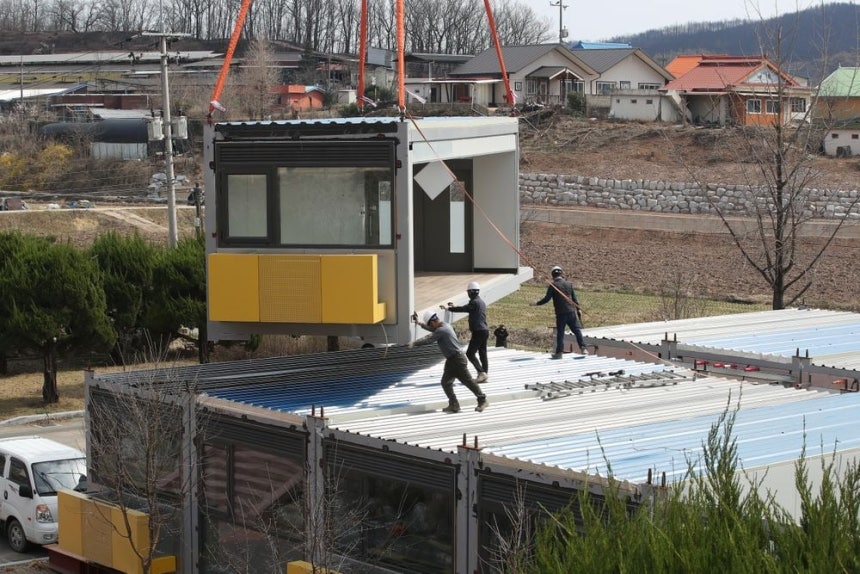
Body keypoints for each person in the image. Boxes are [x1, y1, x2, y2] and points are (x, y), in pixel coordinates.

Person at [412, 309, 489, 413]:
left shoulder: (441, 330)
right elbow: (433, 329)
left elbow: (428, 339)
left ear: (433, 322)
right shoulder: (444, 325)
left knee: (468, 381)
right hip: (452, 360)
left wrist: (413, 343)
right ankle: (454, 404)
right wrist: (420, 324)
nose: (431, 327)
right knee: (445, 382)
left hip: (457, 360)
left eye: (431, 324)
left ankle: (482, 400)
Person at [531, 265, 589, 358]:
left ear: (553, 275)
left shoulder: (553, 285)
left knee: (561, 333)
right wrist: (578, 309)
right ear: (561, 274)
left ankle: (559, 353)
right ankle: (583, 348)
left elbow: (546, 299)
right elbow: (574, 299)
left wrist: (536, 303)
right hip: (571, 312)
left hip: (561, 314)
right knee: (577, 331)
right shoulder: (569, 284)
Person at [444, 281, 489, 383]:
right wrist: (454, 306)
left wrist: (450, 309)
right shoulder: (481, 301)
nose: (468, 293)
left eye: (468, 292)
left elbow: (465, 309)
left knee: (470, 353)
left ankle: (482, 373)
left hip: (478, 331)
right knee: (483, 353)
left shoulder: (474, 302)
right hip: (484, 330)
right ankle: (485, 374)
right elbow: (469, 309)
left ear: (472, 292)